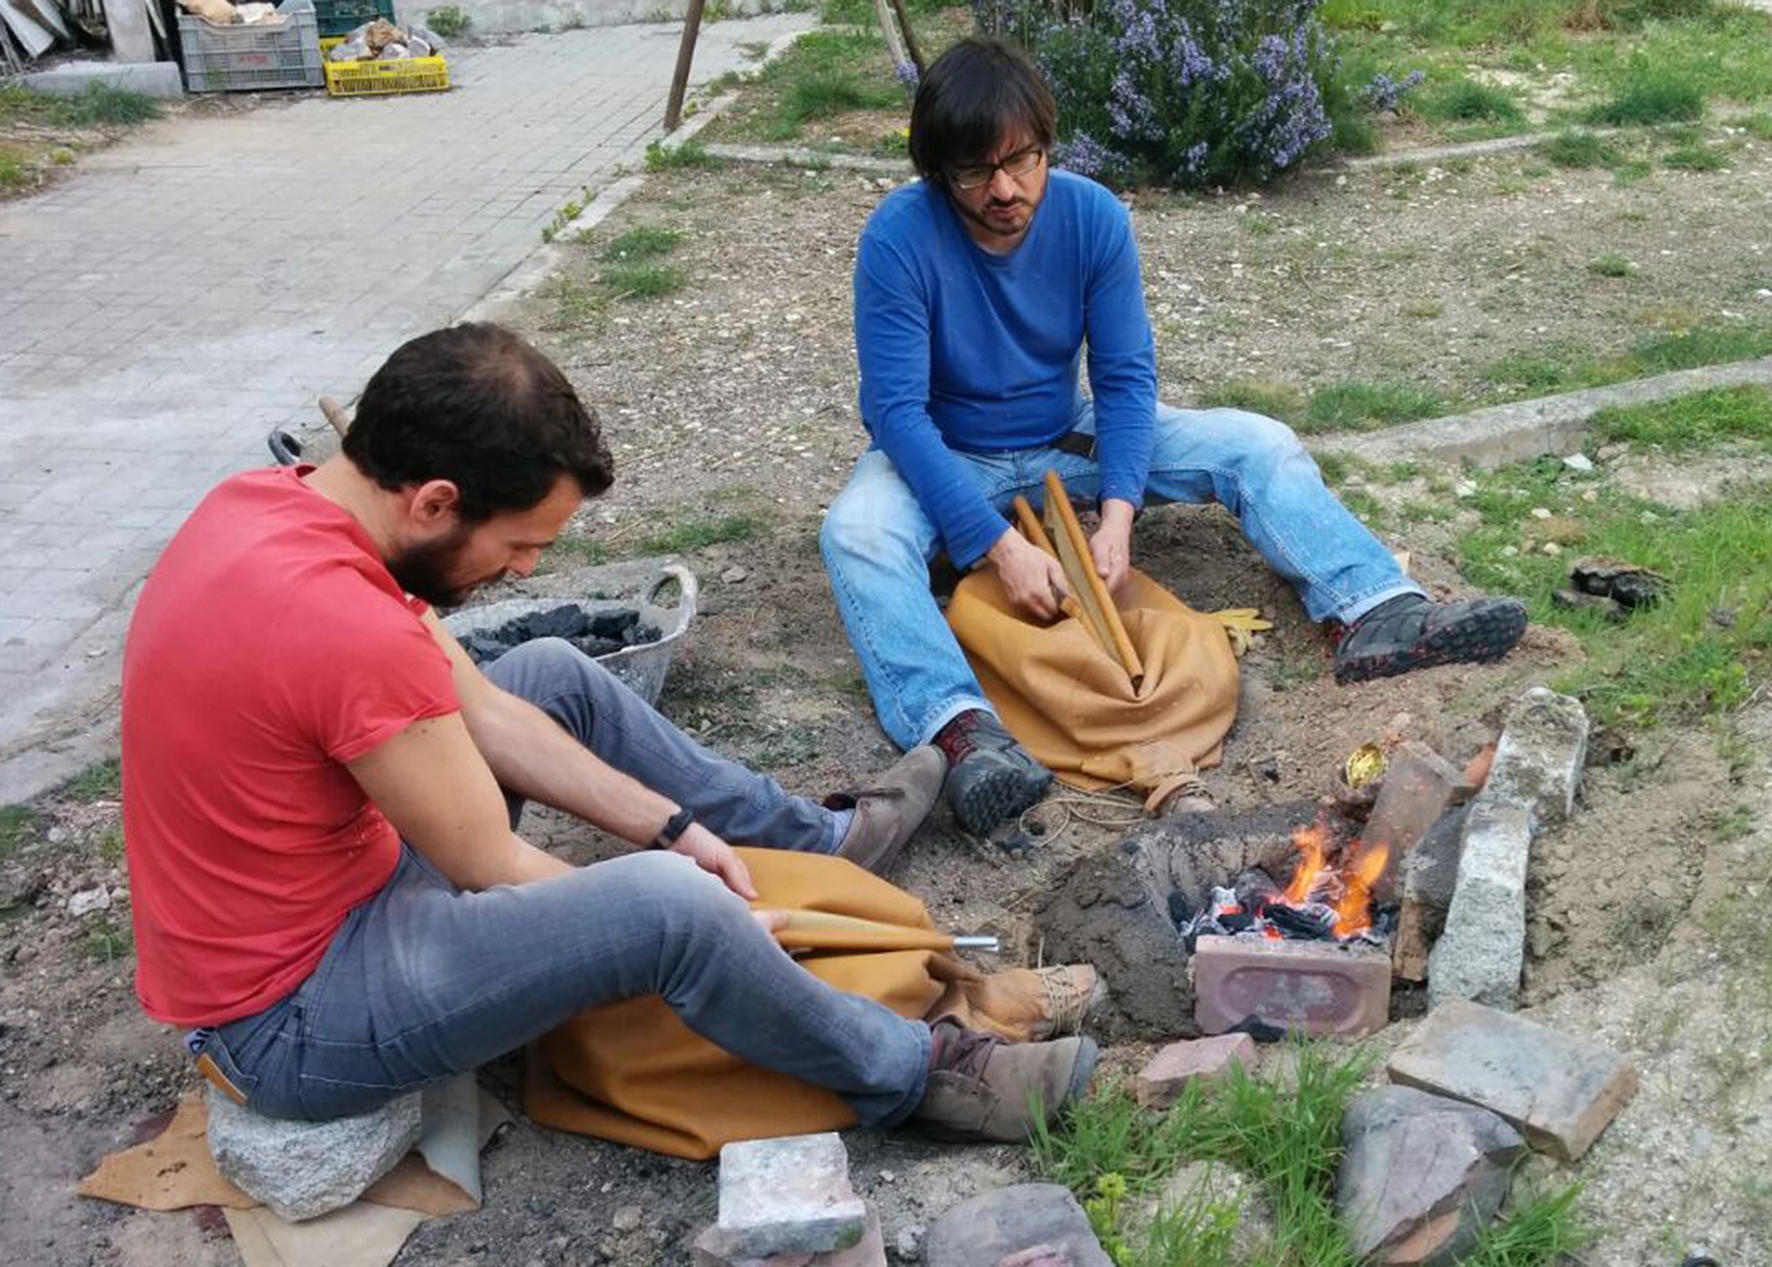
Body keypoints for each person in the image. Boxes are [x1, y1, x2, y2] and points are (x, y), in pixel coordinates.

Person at [120, 322, 1095, 1140]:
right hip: (292, 1017)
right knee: (663, 913)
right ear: (433, 502)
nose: (524, 573)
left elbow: (493, 713)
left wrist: (678, 831)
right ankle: (920, 1074)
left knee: (547, 675)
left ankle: (817, 836)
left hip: (349, 885)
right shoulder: (343, 625)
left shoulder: (285, 504)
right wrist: (697, 912)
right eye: (519, 545)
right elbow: (486, 857)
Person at [820, 37, 1528, 837]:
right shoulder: (898, 236)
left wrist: (1118, 512)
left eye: (1023, 160)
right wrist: (995, 545)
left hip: (1065, 434)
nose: (1006, 188)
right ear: (937, 170)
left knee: (1255, 442)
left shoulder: (1092, 217)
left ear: (1049, 145)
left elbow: (1124, 379)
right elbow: (895, 412)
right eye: (975, 172)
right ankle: (961, 732)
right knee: (856, 533)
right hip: (945, 449)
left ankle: (1373, 609)